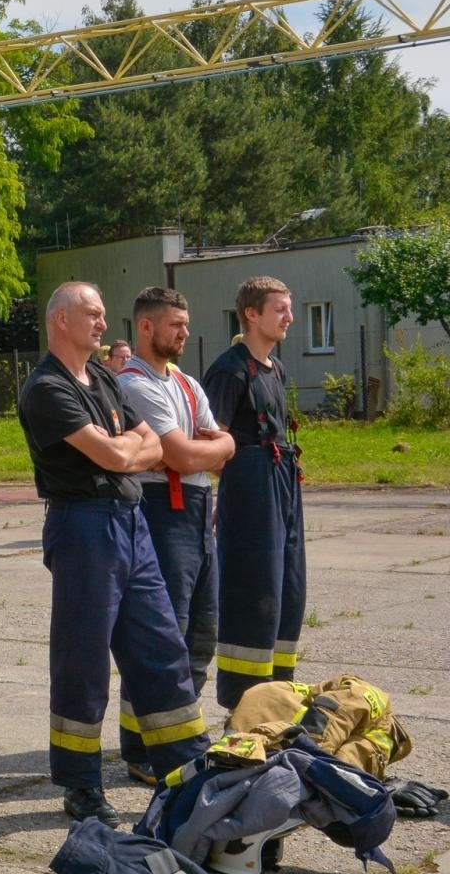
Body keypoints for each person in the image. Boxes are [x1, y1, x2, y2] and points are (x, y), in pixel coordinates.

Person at [17, 282, 210, 826]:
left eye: (103, 314)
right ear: (60, 320)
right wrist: (126, 450)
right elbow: (118, 453)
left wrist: (128, 449)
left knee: (161, 647)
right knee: (83, 662)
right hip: (83, 526)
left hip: (131, 522)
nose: (103, 324)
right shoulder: (47, 388)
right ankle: (80, 786)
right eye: (92, 314)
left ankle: (187, 769)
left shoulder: (102, 375)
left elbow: (152, 445)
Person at [114, 288, 236, 785]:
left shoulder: (186, 383)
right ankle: (142, 748)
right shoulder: (133, 383)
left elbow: (222, 446)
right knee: (162, 634)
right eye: (174, 325)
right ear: (146, 327)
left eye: (185, 324)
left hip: (199, 512)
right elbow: (185, 456)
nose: (184, 332)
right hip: (162, 511)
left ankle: (181, 734)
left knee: (201, 631)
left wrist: (214, 445)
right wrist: (209, 448)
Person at [203, 276, 305, 711]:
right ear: (251, 313)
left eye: (289, 308)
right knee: (252, 595)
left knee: (289, 592)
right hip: (250, 497)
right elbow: (213, 444)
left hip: (283, 492)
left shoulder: (275, 368)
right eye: (280, 309)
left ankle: (277, 699)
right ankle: (243, 704)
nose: (289, 317)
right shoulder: (230, 370)